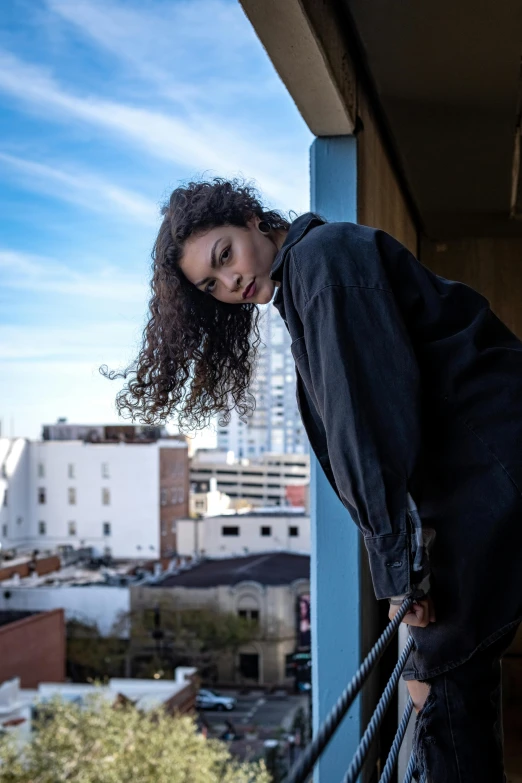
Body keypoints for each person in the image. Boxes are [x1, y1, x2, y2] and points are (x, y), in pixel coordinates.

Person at [104, 178, 522, 782]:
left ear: (250, 217)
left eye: (224, 256)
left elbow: (367, 427)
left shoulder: (322, 266)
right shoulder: (314, 271)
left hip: (497, 465)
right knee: (449, 680)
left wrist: (398, 576)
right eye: (210, 285)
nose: (229, 284)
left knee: (441, 683)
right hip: (488, 471)